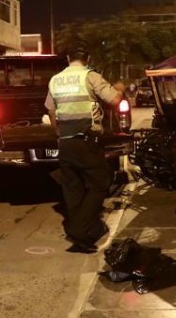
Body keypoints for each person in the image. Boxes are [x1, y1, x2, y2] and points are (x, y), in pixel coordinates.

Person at [45, 45, 125, 253]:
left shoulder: (55, 80)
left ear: (68, 58)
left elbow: (51, 111)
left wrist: (59, 134)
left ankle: (82, 231)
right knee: (101, 182)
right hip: (85, 141)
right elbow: (114, 99)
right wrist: (119, 88)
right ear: (87, 59)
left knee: (73, 187)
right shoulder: (90, 76)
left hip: (65, 142)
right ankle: (78, 230)